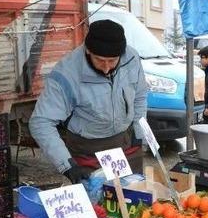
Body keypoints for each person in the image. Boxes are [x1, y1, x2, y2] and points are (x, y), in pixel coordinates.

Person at [29, 19, 147, 184]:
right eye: (100, 60)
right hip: (87, 149)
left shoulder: (131, 58)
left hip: (125, 141)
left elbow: (140, 95)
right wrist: (67, 165)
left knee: (133, 194)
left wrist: (139, 132)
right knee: (98, 197)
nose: (106, 68)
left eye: (112, 61)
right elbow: (41, 122)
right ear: (88, 50)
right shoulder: (66, 73)